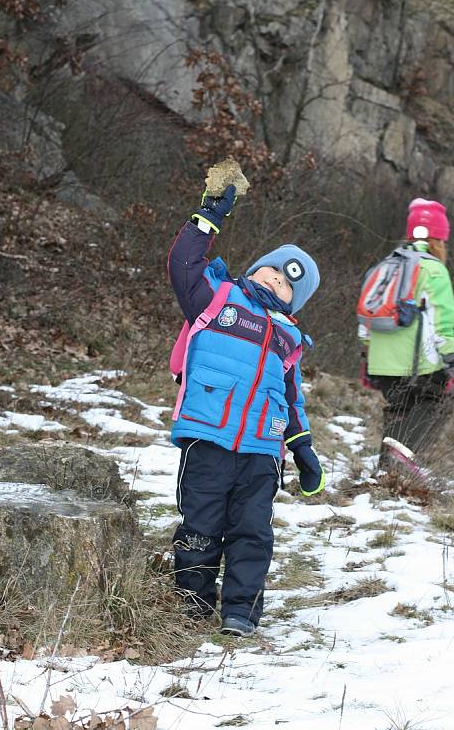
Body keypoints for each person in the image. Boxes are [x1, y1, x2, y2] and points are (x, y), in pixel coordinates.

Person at [168, 181, 324, 637]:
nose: (275, 281)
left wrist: (303, 449)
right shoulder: (216, 298)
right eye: (271, 272)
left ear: (297, 302)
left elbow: (292, 398)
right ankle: (192, 604)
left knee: (253, 534)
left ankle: (240, 611)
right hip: (209, 439)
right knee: (200, 524)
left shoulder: (289, 339)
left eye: (287, 284)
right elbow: (183, 265)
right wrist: (206, 220)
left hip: (261, 453)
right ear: (255, 269)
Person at [360, 198, 454, 470]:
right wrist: (452, 363)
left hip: (381, 362)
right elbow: (441, 325)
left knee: (399, 408)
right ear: (440, 239)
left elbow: (365, 319)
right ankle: (402, 460)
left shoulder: (385, 266)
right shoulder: (434, 270)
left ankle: (386, 471)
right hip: (417, 364)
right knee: (438, 402)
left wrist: (367, 360)